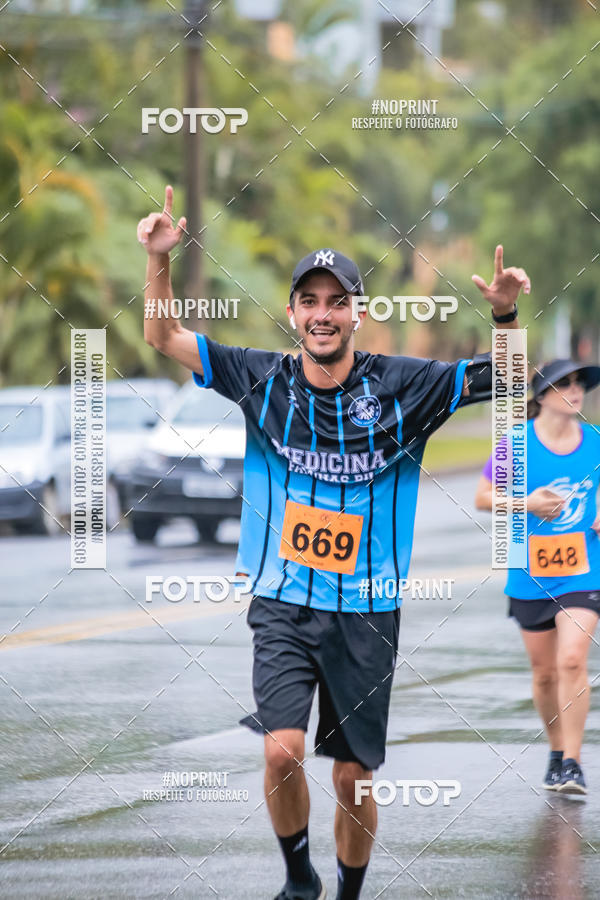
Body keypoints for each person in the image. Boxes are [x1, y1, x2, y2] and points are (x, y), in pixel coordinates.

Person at [138, 185, 529, 900]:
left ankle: (350, 891)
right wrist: (159, 262)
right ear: (292, 313)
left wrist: (504, 314)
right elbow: (163, 338)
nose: (322, 315)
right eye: (309, 302)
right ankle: (298, 880)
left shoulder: (403, 386)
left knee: (352, 776)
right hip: (282, 600)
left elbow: (505, 376)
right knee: (282, 748)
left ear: (357, 312)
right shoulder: (261, 377)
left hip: (367, 610)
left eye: (336, 301)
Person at [475, 361, 600, 795]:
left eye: (579, 382)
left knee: (572, 659)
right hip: (531, 572)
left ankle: (573, 762)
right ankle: (555, 749)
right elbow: (482, 497)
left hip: (584, 570)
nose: (575, 389)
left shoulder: (596, 443)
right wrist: (526, 503)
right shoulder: (516, 445)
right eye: (564, 383)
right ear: (543, 395)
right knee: (545, 674)